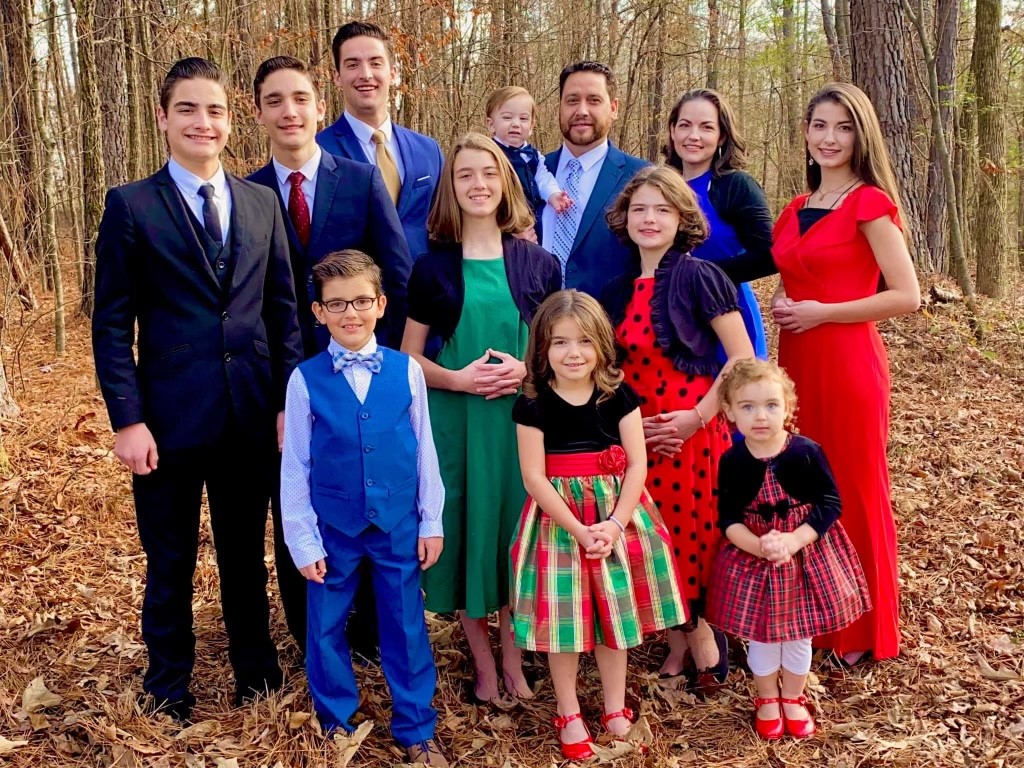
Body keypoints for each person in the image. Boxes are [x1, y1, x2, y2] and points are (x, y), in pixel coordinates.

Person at [91, 57, 303, 722]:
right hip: (167, 420)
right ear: (163, 117)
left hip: (250, 413)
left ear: (231, 120)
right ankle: (168, 686)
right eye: (187, 109)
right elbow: (111, 323)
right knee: (170, 558)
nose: (202, 122)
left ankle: (256, 675)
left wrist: (285, 404)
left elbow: (284, 313)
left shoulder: (262, 203)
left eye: (214, 110)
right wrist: (127, 419)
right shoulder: (131, 205)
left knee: (244, 556)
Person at [248, 54, 412, 653]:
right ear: (258, 113)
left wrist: (384, 371)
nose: (289, 111)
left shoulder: (361, 180)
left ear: (321, 107)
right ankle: (308, 632)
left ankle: (367, 633)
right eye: (274, 101)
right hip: (280, 378)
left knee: (362, 494)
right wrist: (278, 394)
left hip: (359, 372)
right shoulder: (246, 192)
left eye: (300, 98)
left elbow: (396, 276)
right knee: (294, 494)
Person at [401, 133, 561, 704]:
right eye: (465, 174)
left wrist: (527, 369)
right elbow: (408, 358)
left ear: (506, 184)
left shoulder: (540, 264)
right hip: (458, 424)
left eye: (489, 173)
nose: (478, 184)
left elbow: (563, 347)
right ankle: (484, 665)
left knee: (513, 535)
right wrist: (459, 380)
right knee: (469, 532)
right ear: (451, 187)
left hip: (520, 424)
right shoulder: (432, 269)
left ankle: (515, 661)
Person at [279, 250, 449, 767]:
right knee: (325, 624)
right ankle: (336, 722)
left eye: (360, 301)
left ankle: (416, 726)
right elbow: (296, 465)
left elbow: (424, 448)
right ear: (318, 312)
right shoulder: (304, 379)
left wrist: (431, 519)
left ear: (380, 304)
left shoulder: (407, 371)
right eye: (336, 304)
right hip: (334, 526)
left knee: (405, 623)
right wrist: (302, 538)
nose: (349, 313)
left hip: (397, 521)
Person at [771, 83, 920, 665]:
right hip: (796, 361)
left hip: (848, 360)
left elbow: (906, 295)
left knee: (852, 486)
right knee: (803, 486)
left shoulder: (870, 204)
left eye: (843, 127)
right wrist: (785, 302)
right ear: (805, 133)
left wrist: (823, 312)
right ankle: (816, 618)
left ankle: (861, 629)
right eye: (819, 126)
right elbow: (796, 276)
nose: (829, 138)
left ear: (861, 136)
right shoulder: (794, 208)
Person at [510, 290, 686, 760]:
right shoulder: (532, 404)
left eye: (585, 341)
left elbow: (637, 464)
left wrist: (614, 524)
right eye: (560, 342)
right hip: (559, 523)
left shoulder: (618, 396)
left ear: (602, 345)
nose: (574, 353)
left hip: (615, 518)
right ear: (542, 348)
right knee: (563, 621)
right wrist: (578, 529)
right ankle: (568, 711)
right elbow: (533, 477)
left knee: (614, 614)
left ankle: (613, 706)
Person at [603, 165, 753, 693]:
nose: (650, 219)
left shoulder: (701, 276)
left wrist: (696, 418)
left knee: (694, 537)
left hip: (694, 430)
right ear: (625, 218)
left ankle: (707, 636)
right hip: (639, 431)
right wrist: (630, 428)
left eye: (662, 209)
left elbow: (741, 357)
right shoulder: (617, 288)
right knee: (653, 535)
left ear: (681, 218)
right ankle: (676, 641)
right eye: (640, 209)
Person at [706, 359, 870, 740]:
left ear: (787, 408)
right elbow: (727, 518)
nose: (760, 416)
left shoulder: (806, 452)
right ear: (729, 411)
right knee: (762, 636)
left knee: (799, 635)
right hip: (754, 559)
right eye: (747, 407)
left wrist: (794, 540)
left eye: (771, 405)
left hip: (805, 556)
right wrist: (758, 547)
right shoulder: (732, 461)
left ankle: (793, 697)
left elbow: (830, 503)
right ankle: (766, 699)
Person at [317, 20, 444, 262]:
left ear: (393, 73)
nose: (365, 74)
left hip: (426, 284)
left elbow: (450, 225)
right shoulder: (319, 152)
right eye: (352, 65)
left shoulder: (428, 151)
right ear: (336, 76)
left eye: (375, 63)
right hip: (357, 285)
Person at [664, 88, 774, 359]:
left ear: (722, 136)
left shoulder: (736, 186)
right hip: (671, 314)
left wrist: (702, 275)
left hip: (727, 311)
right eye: (685, 125)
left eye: (706, 127)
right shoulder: (660, 187)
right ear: (672, 131)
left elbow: (770, 255)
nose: (694, 136)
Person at [542, 61, 648, 298]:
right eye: (572, 100)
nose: (582, 111)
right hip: (533, 316)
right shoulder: (531, 172)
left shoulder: (642, 177)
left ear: (614, 108)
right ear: (559, 107)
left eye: (593, 100)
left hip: (611, 317)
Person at [484, 85, 572, 243]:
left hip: (533, 222)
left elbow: (543, 179)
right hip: (503, 225)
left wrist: (554, 195)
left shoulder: (534, 156)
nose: (515, 124)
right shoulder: (489, 155)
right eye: (507, 117)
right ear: (491, 125)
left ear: (531, 127)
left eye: (523, 119)